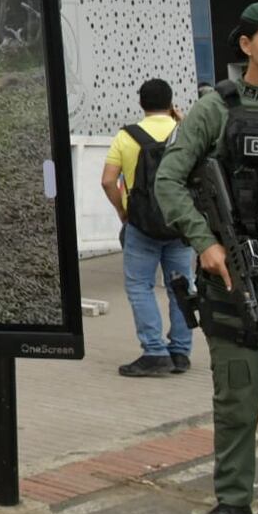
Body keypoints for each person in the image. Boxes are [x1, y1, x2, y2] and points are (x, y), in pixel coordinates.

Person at [155, 2, 258, 514]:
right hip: (234, 260)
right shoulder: (214, 109)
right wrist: (204, 243)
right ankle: (234, 498)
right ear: (246, 45)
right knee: (237, 388)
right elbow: (169, 181)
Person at [101, 78, 193, 377]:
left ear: (141, 103)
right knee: (180, 286)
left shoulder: (126, 136)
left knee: (140, 286)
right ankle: (180, 352)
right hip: (180, 223)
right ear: (171, 102)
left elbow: (107, 180)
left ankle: (154, 352)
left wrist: (122, 210)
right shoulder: (185, 131)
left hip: (141, 224)